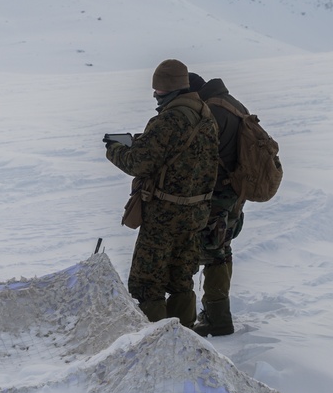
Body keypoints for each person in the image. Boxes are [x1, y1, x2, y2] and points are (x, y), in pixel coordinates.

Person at [104, 59, 219, 326]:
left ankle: (152, 346)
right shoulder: (205, 115)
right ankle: (185, 340)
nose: (155, 96)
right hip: (196, 213)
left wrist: (115, 149)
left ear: (166, 90)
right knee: (180, 279)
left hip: (165, 216)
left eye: (158, 91)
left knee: (147, 284)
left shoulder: (169, 119)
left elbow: (138, 163)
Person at [187, 71, 248, 336]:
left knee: (212, 254)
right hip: (235, 193)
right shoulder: (231, 103)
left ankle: (217, 318)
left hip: (218, 195)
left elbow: (199, 157)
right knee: (222, 251)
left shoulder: (212, 111)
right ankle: (216, 314)